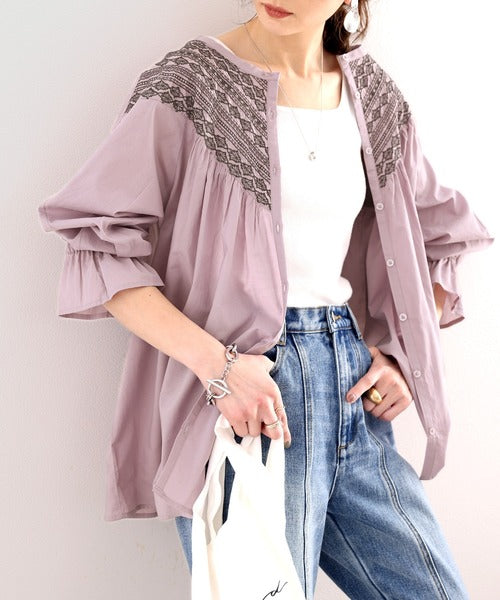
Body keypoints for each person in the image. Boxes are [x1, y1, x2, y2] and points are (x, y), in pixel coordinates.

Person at [37, 1, 494, 598]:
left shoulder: (373, 96)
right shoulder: (192, 84)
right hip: (249, 405)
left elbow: (441, 237)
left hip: (354, 396)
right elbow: (98, 245)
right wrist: (220, 368)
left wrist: (405, 354)